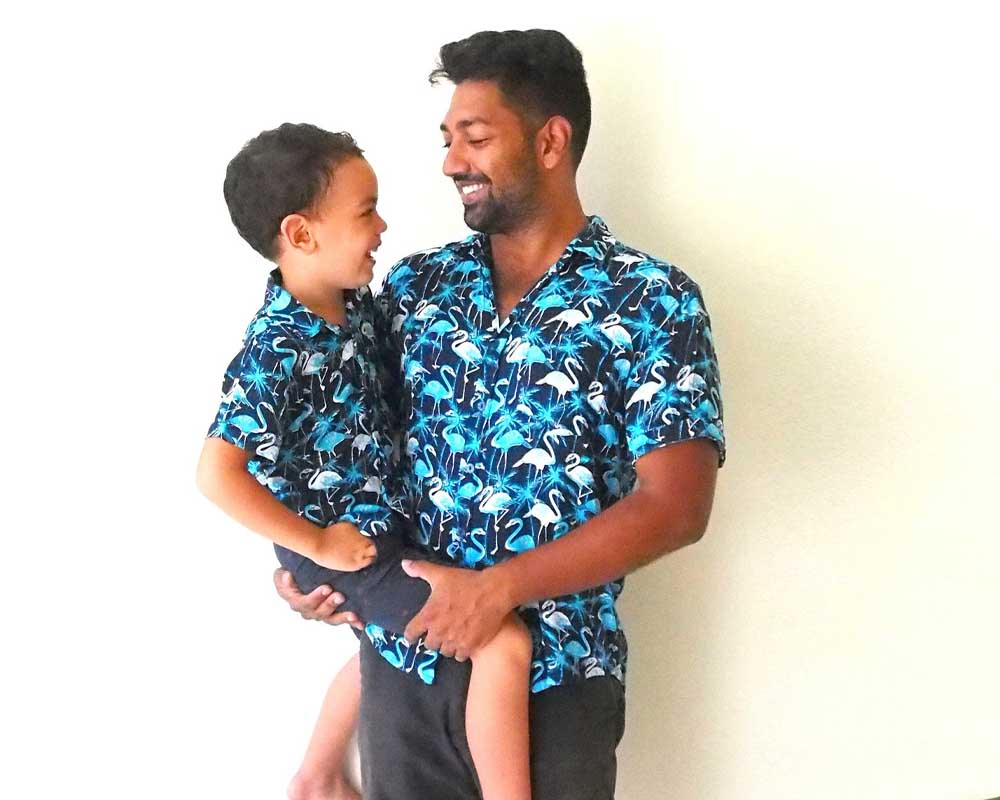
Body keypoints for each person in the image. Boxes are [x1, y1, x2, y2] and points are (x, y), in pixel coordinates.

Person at [276, 29, 726, 800]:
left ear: (551, 141)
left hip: (558, 683)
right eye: (448, 139)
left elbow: (676, 506)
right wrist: (307, 554)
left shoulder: (651, 300)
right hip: (405, 670)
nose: (452, 161)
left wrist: (498, 589)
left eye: (476, 138)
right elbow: (339, 438)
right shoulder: (414, 291)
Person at [196, 122, 534, 800]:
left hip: (375, 531)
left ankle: (318, 774)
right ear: (301, 234)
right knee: (503, 643)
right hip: (341, 545)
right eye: (364, 212)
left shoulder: (355, 309)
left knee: (393, 644)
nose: (382, 226)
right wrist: (314, 545)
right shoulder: (278, 347)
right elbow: (216, 473)